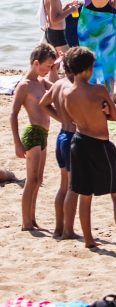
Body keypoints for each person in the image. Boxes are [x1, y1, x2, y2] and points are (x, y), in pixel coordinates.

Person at [61, 47, 116, 251]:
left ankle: (89, 240)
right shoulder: (98, 90)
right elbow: (114, 116)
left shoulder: (67, 94)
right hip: (99, 143)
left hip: (79, 141)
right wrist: (107, 111)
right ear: (86, 69)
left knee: (85, 194)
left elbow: (76, 118)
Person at [10, 44, 56, 231]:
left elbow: (59, 89)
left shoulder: (42, 82)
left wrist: (56, 70)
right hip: (32, 134)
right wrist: (17, 143)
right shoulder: (24, 86)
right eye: (47, 66)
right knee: (31, 180)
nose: (48, 70)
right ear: (36, 63)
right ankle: (25, 221)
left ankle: (33, 218)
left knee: (39, 180)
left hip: (44, 135)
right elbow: (13, 114)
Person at [39, 57, 78, 239]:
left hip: (61, 136)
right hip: (71, 138)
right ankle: (68, 230)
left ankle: (58, 228)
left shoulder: (57, 84)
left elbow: (44, 104)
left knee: (63, 186)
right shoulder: (73, 88)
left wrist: (60, 119)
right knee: (72, 187)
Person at [40, 0, 81, 78]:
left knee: (56, 64)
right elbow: (54, 19)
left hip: (53, 32)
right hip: (57, 34)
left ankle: (53, 84)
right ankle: (73, 83)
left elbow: (54, 14)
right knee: (70, 60)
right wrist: (71, 10)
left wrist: (66, 7)